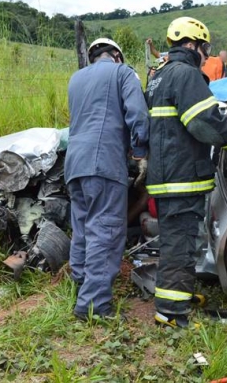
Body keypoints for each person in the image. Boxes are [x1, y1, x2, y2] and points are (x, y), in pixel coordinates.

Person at [145, 17, 227, 328]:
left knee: (176, 242)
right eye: (204, 48)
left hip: (166, 174)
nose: (206, 54)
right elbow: (204, 121)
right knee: (180, 245)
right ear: (193, 45)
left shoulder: (159, 75)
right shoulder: (187, 75)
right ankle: (171, 312)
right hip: (181, 177)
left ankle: (180, 295)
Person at [65, 38, 149, 321]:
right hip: (104, 162)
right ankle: (94, 307)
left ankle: (80, 285)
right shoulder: (122, 72)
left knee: (83, 227)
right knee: (107, 230)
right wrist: (140, 152)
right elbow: (137, 114)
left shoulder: (76, 79)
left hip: (74, 163)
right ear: (115, 55)